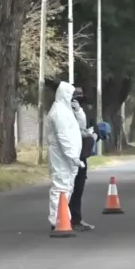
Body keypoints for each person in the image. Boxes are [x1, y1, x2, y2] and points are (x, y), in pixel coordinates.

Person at [45, 81, 84, 231]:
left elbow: (80, 126)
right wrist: (73, 157)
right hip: (61, 156)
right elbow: (63, 137)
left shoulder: (66, 110)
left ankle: (62, 216)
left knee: (67, 186)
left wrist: (79, 111)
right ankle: (57, 219)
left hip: (69, 157)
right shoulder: (58, 112)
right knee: (60, 185)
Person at [68, 87, 98, 231]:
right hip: (70, 155)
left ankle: (74, 217)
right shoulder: (65, 113)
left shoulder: (83, 110)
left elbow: (91, 127)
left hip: (81, 154)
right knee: (69, 188)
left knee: (77, 188)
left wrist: (93, 134)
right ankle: (67, 218)